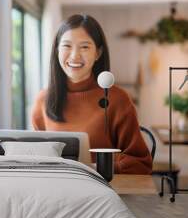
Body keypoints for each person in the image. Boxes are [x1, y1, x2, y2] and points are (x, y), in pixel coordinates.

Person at [31, 14, 152, 174]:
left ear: (98, 53)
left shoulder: (117, 99)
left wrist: (94, 170)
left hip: (100, 192)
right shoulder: (43, 99)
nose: (74, 55)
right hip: (54, 190)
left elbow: (140, 163)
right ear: (57, 50)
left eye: (85, 47)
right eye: (67, 46)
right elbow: (36, 157)